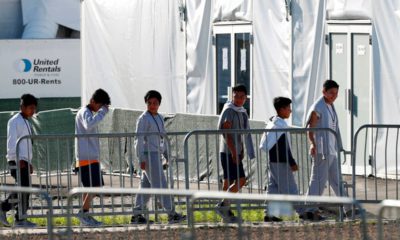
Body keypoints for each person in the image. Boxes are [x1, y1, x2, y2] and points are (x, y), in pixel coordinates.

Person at [131, 90, 186, 224]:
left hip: (156, 155)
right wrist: (141, 159)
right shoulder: (143, 118)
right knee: (161, 184)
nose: (152, 105)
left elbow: (163, 137)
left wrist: (166, 154)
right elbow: (138, 139)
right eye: (149, 103)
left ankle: (137, 215)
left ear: (159, 104)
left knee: (146, 186)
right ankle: (171, 213)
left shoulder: (160, 117)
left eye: (155, 103)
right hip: (149, 155)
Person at [301, 80, 350, 221]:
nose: (334, 95)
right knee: (318, 181)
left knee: (336, 181)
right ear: (324, 92)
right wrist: (313, 144)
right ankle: (309, 209)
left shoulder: (330, 105)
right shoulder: (318, 106)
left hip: (331, 149)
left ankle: (348, 208)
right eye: (331, 93)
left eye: (336, 93)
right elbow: (311, 127)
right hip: (322, 150)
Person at [216, 84, 255, 223]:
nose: (239, 99)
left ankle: (226, 214)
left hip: (235, 151)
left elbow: (242, 133)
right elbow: (225, 132)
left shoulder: (242, 111)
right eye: (236, 96)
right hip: (228, 151)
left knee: (228, 181)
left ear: (246, 98)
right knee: (241, 180)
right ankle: (223, 205)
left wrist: (242, 149)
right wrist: (233, 151)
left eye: (242, 97)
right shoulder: (229, 110)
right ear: (232, 96)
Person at [259, 97, 301, 222]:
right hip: (281, 162)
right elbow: (284, 147)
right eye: (288, 108)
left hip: (273, 161)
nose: (290, 111)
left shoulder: (274, 123)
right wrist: (292, 162)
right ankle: (304, 212)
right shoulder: (279, 126)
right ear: (282, 109)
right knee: (291, 188)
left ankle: (269, 214)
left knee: (273, 188)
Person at [0, 94, 38, 227]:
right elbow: (12, 142)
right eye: (31, 108)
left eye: (34, 108)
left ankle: (20, 218)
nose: (33, 111)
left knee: (25, 190)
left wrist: (29, 162)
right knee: (22, 188)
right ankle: (4, 208)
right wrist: (16, 159)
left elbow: (26, 144)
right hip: (16, 161)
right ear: (22, 107)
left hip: (24, 161)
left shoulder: (27, 121)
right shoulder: (14, 121)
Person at [75, 88, 110, 226]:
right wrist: (102, 113)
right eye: (100, 106)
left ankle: (85, 215)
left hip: (89, 156)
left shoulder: (87, 112)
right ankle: (83, 213)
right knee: (95, 186)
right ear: (93, 101)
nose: (101, 109)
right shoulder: (85, 112)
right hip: (86, 157)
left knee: (89, 187)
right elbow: (89, 125)